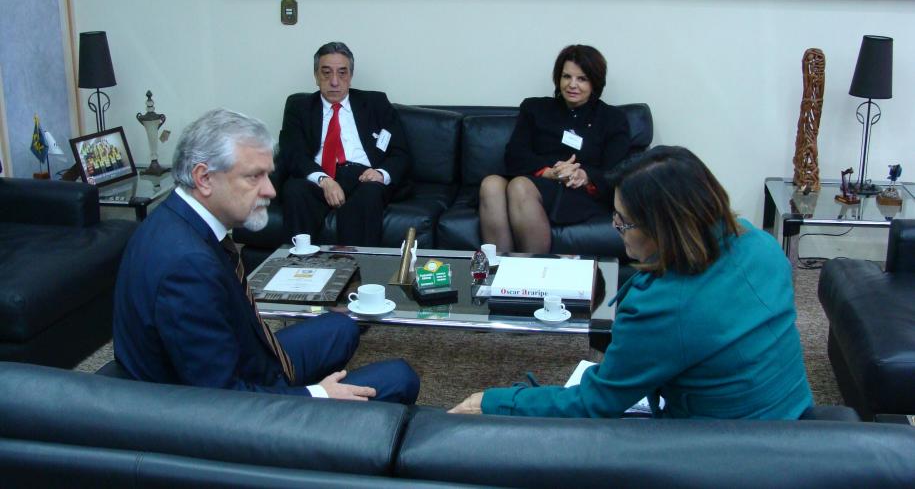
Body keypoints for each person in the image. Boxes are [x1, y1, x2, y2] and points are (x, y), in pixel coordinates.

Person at [451, 146, 813, 419]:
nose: (614, 227)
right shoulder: (762, 245)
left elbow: (595, 402)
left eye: (623, 222)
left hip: (728, 451)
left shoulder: (663, 306)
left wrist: (494, 401)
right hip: (794, 416)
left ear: (663, 229)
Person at [113, 108, 419, 403]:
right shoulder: (187, 268)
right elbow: (222, 400)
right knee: (399, 377)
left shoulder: (173, 219)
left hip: (247, 355)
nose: (271, 191)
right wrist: (318, 395)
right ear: (204, 178)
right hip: (227, 405)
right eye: (254, 177)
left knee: (342, 325)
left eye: (268, 176)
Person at [478, 44, 630, 253]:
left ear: (595, 82)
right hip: (540, 177)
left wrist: (583, 175)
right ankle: (497, 272)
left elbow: (617, 170)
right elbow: (515, 155)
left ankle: (533, 276)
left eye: (582, 79)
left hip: (578, 191)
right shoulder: (535, 108)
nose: (572, 85)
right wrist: (550, 172)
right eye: (567, 77)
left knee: (520, 185)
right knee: (491, 184)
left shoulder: (612, 119)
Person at [279, 41, 410, 246]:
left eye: (342, 73)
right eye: (326, 73)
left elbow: (400, 152)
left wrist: (380, 173)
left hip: (363, 176)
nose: (334, 81)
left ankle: (358, 269)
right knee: (294, 189)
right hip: (320, 176)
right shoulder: (300, 107)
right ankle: (301, 268)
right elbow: (293, 153)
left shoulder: (375, 103)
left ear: (350, 76)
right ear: (316, 76)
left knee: (370, 193)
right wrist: (324, 179)